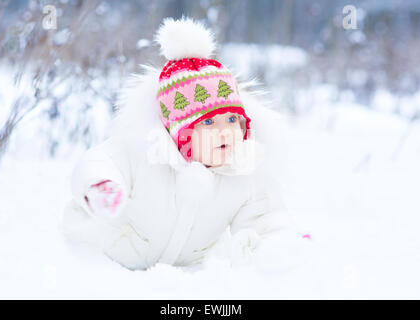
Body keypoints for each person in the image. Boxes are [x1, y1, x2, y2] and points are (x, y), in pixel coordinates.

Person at [59, 17, 311, 270]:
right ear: (181, 133)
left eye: (233, 119)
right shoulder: (143, 152)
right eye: (209, 123)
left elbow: (265, 218)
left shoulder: (243, 173)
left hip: (174, 273)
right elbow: (99, 161)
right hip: (101, 255)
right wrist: (100, 185)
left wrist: (282, 244)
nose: (226, 133)